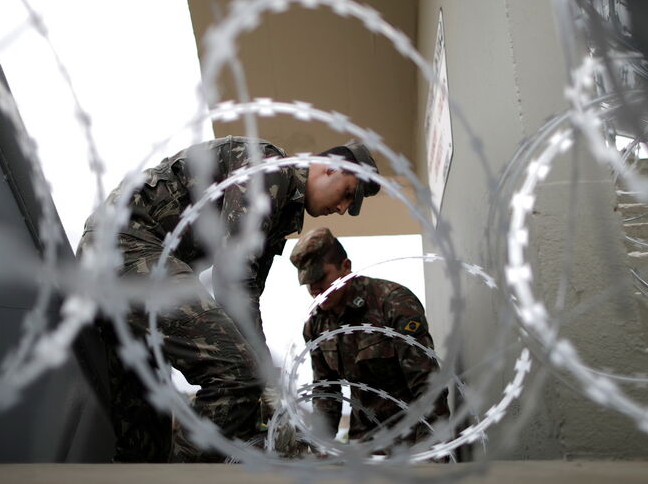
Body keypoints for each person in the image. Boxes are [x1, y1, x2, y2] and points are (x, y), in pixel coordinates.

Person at [76, 136, 379, 462]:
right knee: (238, 375)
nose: (343, 209)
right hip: (127, 247)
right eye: (349, 193)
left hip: (124, 265)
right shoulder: (270, 168)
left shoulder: (282, 210)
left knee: (146, 426)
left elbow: (246, 297)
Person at [292, 227, 450, 449]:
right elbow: (326, 393)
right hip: (365, 442)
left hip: (413, 437)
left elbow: (427, 383)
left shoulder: (392, 302)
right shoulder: (317, 326)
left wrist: (431, 449)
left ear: (345, 267)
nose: (315, 289)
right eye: (308, 282)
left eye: (320, 277)